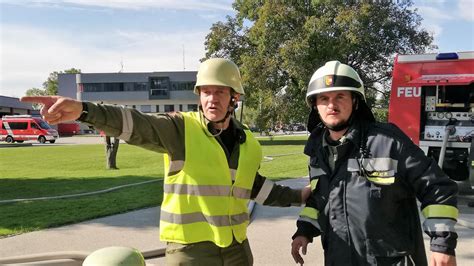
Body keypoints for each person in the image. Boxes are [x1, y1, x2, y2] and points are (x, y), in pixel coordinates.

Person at [22, 58, 309, 266]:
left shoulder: (248, 141)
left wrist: (298, 195)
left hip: (237, 250)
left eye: (220, 92)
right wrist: (84, 111)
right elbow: (136, 123)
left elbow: (253, 187)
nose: (211, 99)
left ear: (234, 97)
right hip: (191, 253)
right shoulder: (180, 129)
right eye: (206, 91)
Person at [290, 61, 459, 266]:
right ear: (315, 106)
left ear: (355, 101)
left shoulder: (388, 142)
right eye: (324, 98)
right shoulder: (318, 152)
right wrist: (305, 231)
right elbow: (320, 199)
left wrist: (442, 244)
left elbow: (437, 187)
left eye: (340, 97)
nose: (331, 105)